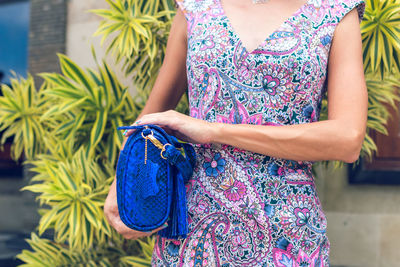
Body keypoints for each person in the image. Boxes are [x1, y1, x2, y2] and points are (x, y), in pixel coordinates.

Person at [104, 0, 367, 265]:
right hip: (191, 231)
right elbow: (152, 119)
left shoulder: (336, 10)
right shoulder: (195, 6)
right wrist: (123, 184)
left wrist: (215, 131)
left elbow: (347, 139)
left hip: (286, 231)